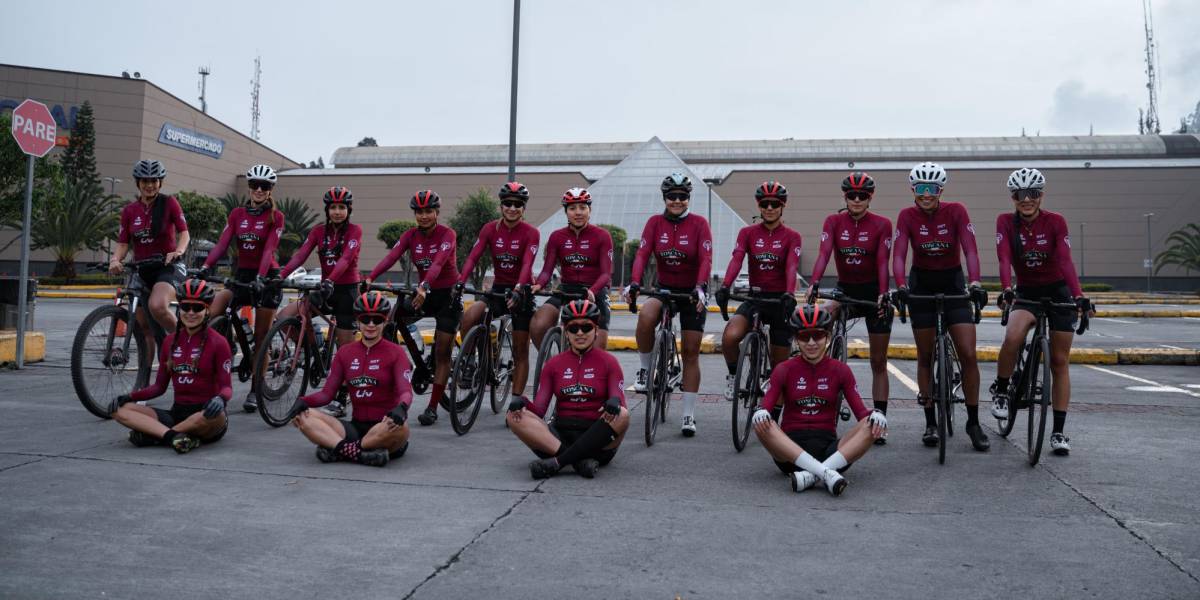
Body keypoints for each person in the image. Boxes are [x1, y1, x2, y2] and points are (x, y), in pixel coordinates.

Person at [992, 168, 1094, 456]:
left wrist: (1078, 296)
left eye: (1033, 194)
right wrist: (1006, 288)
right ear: (1013, 197)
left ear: (1041, 195)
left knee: (1060, 361)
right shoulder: (1005, 222)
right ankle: (1001, 392)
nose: (1027, 200)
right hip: (1026, 293)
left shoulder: (1055, 222)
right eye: (1020, 194)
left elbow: (1064, 259)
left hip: (1058, 291)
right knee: (1012, 337)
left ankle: (1059, 431)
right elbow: (1004, 259)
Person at [892, 162, 990, 451]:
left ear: (940, 190)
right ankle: (930, 421)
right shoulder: (906, 216)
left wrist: (975, 283)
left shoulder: (956, 211)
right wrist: (900, 285)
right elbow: (899, 255)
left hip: (953, 283)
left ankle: (973, 421)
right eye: (920, 188)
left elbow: (970, 248)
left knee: (969, 355)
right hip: (921, 284)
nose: (926, 194)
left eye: (931, 188)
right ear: (913, 190)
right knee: (925, 356)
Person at [751, 305, 886, 495]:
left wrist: (877, 415)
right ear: (797, 341)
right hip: (789, 452)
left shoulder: (841, 370)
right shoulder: (783, 369)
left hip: (830, 450)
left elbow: (862, 414)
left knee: (871, 425)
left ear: (828, 338)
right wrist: (761, 411)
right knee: (761, 421)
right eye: (805, 337)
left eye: (818, 335)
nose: (812, 342)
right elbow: (766, 406)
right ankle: (825, 473)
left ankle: (811, 475)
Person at [806, 171, 894, 444]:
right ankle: (816, 374)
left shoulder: (882, 224)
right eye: (851, 195)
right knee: (821, 315)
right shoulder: (834, 221)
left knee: (878, 361)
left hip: (872, 293)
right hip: (845, 291)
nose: (856, 200)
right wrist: (815, 283)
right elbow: (823, 254)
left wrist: (882, 294)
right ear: (845, 196)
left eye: (862, 196)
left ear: (870, 197)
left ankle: (879, 420)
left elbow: (882, 262)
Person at [625, 173, 712, 437]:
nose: (677, 201)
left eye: (682, 196)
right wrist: (634, 282)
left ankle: (688, 413)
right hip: (664, 289)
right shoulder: (655, 222)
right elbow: (642, 253)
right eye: (672, 196)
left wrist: (700, 287)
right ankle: (644, 369)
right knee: (646, 316)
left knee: (690, 352)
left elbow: (706, 258)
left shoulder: (699, 224)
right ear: (664, 198)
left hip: (691, 292)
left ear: (688, 199)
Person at [363, 190, 461, 427]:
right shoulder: (410, 235)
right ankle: (408, 362)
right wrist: (370, 276)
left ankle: (432, 407)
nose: (424, 216)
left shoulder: (448, 234)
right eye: (420, 212)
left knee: (442, 352)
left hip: (446, 295)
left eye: (429, 211)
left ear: (437, 212)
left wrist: (425, 285)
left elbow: (438, 262)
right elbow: (392, 256)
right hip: (423, 294)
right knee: (390, 322)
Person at [507, 299, 630, 479]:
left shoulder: (609, 362)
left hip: (597, 439)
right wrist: (522, 402)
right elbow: (539, 410)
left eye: (586, 327)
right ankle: (579, 463)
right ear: (566, 332)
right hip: (559, 437)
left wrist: (614, 400)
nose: (580, 333)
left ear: (596, 330)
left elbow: (618, 399)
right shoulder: (554, 364)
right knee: (513, 416)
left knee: (623, 415)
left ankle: (558, 462)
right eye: (573, 328)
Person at [291, 291, 412, 467]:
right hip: (354, 428)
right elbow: (326, 394)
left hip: (385, 426)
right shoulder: (345, 353)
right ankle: (358, 453)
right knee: (303, 417)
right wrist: (303, 401)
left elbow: (405, 391)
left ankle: (338, 448)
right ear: (357, 321)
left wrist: (402, 407)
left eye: (377, 320)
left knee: (403, 429)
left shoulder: (396, 353)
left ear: (385, 321)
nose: (371, 325)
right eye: (365, 319)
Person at [199, 164, 285, 412]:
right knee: (214, 313)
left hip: (267, 276)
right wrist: (206, 266)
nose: (259, 190)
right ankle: (230, 343)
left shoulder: (275, 217)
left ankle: (256, 390)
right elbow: (223, 243)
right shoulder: (237, 214)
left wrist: (261, 277)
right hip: (243, 273)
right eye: (255, 185)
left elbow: (269, 249)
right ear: (249, 187)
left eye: (265, 186)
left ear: (270, 190)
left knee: (261, 338)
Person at [110, 278, 231, 454]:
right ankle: (173, 437)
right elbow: (159, 387)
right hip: (177, 413)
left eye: (197, 308)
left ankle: (157, 435)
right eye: (185, 307)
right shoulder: (169, 342)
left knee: (215, 415)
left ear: (207, 311)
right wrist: (129, 396)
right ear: (178, 309)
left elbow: (226, 387)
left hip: (206, 416)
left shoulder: (219, 343)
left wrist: (221, 399)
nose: (191, 312)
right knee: (119, 410)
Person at [279, 185, 364, 417]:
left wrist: (332, 279)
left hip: (346, 291)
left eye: (342, 207)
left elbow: (346, 258)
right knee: (285, 316)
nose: (337, 212)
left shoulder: (355, 231)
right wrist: (280, 275)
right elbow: (301, 254)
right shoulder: (318, 231)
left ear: (349, 209)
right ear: (327, 210)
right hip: (325, 289)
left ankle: (341, 398)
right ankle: (311, 351)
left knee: (344, 348)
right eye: (333, 207)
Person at [715, 181, 803, 400]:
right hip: (755, 299)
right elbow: (736, 260)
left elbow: (792, 265)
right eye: (765, 203)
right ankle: (734, 376)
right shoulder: (747, 232)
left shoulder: (792, 236)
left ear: (783, 205)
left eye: (775, 203)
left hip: (780, 300)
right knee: (729, 337)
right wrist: (725, 285)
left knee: (779, 366)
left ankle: (774, 409)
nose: (769, 207)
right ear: (759, 205)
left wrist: (790, 293)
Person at [456, 181, 540, 399]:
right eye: (508, 203)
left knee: (521, 350)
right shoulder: (490, 229)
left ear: (524, 208)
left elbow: (527, 264)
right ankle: (474, 361)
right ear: (501, 206)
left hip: (522, 290)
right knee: (469, 317)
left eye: (518, 204)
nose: (512, 208)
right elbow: (473, 256)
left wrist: (520, 288)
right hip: (499, 288)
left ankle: (516, 400)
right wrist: (460, 281)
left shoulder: (531, 233)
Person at [109, 159, 190, 357]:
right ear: (138, 182)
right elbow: (123, 243)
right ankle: (145, 379)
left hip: (167, 267)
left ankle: (189, 341)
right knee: (144, 327)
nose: (150, 185)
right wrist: (115, 260)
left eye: (154, 180)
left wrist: (178, 251)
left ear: (160, 182)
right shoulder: (129, 211)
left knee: (157, 305)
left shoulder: (169, 202)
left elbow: (184, 233)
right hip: (142, 269)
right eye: (145, 181)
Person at [530, 187, 614, 350]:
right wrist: (539, 284)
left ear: (590, 210)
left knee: (597, 351)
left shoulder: (602, 236)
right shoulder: (557, 237)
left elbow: (606, 274)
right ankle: (554, 363)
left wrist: (593, 290)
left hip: (594, 293)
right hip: (566, 291)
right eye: (572, 208)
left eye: (583, 208)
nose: (578, 212)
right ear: (566, 211)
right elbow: (547, 270)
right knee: (538, 324)